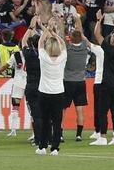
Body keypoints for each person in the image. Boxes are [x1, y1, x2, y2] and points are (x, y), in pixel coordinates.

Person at [90, 17, 114, 146]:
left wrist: (99, 20)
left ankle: (103, 137)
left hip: (106, 85)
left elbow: (96, 34)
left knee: (102, 111)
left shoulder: (108, 49)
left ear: (113, 40)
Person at [36, 24, 68, 155]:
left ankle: (43, 146)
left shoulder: (44, 57)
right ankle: (55, 148)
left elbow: (39, 43)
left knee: (44, 121)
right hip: (58, 93)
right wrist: (54, 34)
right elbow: (64, 44)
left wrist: (46, 30)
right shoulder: (62, 58)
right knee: (57, 121)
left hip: (44, 92)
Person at [63, 27, 91, 142]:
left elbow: (62, 38)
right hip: (80, 82)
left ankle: (60, 134)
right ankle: (78, 135)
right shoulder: (85, 47)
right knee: (79, 110)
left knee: (62, 110)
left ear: (71, 39)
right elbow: (86, 39)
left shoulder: (68, 48)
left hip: (67, 81)